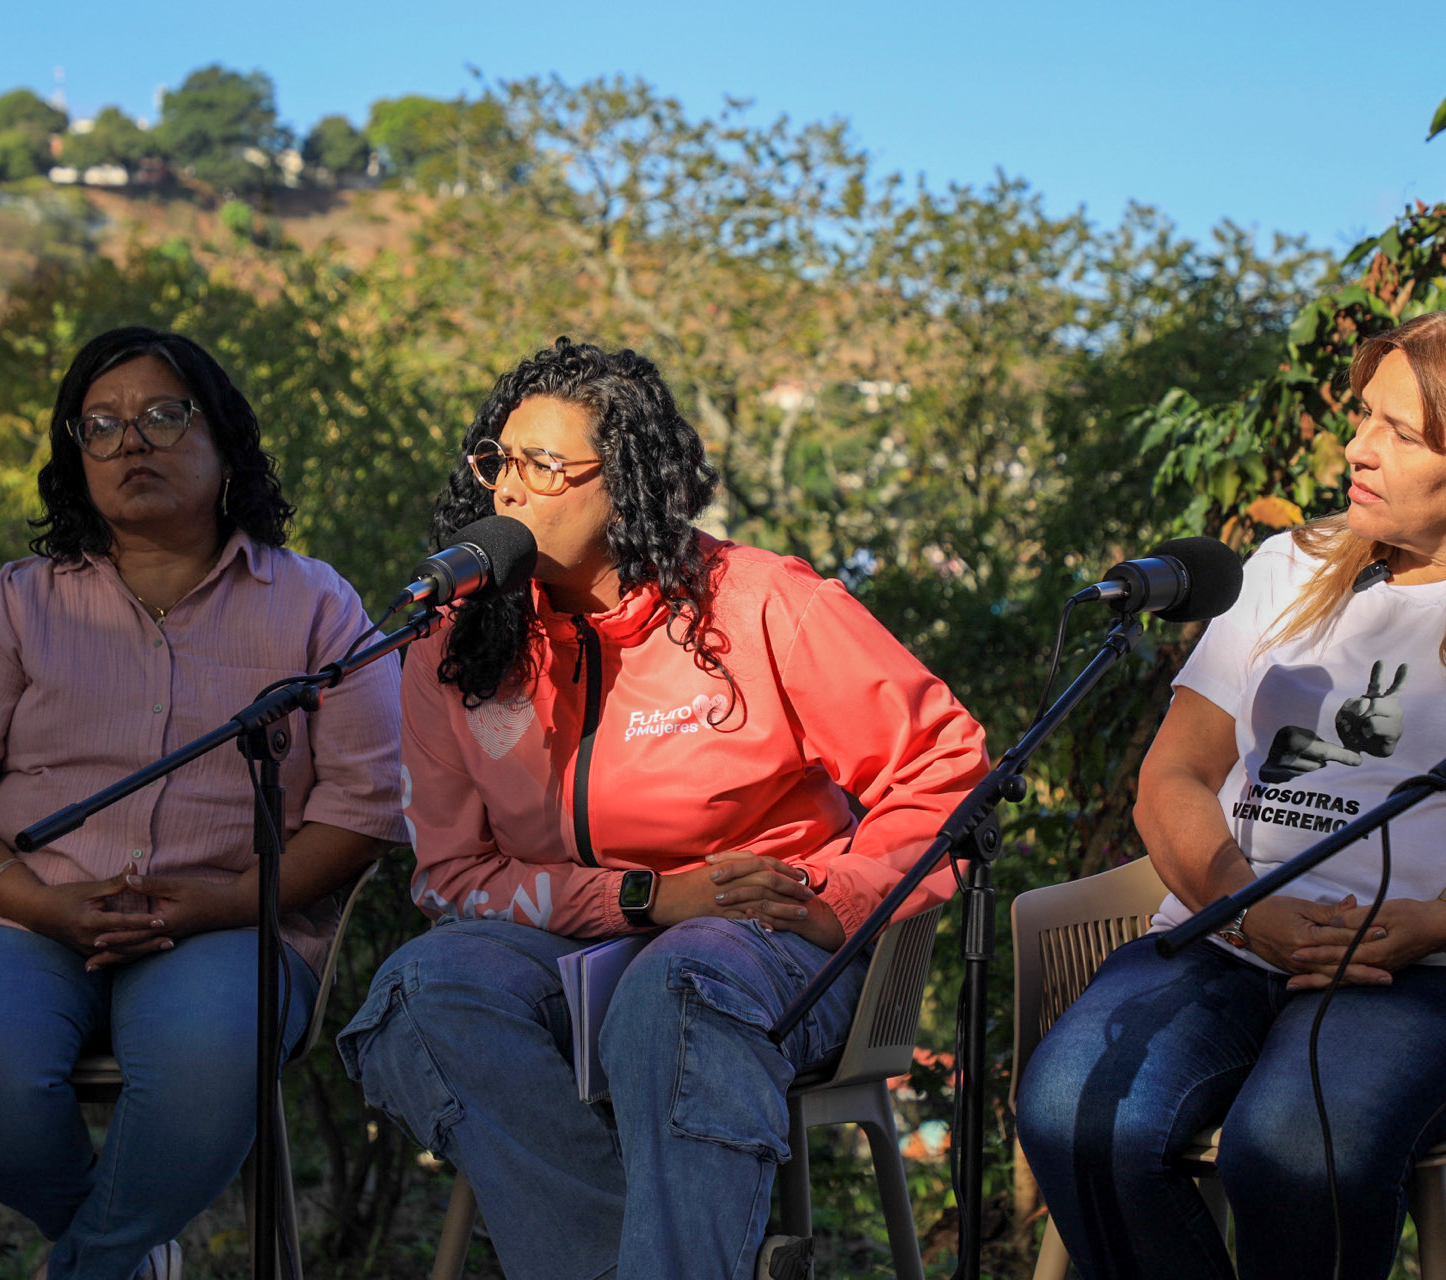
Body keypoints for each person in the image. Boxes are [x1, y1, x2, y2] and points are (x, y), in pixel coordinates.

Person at [337, 337, 989, 1280]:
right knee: (419, 994)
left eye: (547, 467)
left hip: (766, 937)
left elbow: (948, 770)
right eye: (500, 462)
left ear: (631, 484)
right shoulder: (452, 644)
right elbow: (452, 877)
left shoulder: (763, 603)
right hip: (581, 944)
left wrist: (829, 892)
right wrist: (645, 898)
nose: (510, 491)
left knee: (677, 986)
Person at [1014, 304, 1446, 1280]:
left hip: (1433, 969)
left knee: (1294, 1147)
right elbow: (1173, 774)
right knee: (1072, 1109)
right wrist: (1241, 903)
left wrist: (1437, 923)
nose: (1357, 447)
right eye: (1364, 418)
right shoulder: (1287, 565)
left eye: (1399, 430)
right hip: (1228, 930)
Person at [0, 327, 407, 1280]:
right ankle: (126, 1250)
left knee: (210, 1061)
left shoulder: (318, 608)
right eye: (102, 426)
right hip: (26, 917)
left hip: (227, 925)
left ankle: (91, 1262)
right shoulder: (20, 606)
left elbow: (364, 812)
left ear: (226, 443)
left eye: (164, 416)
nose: (132, 443)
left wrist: (215, 902)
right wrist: (39, 903)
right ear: (75, 461)